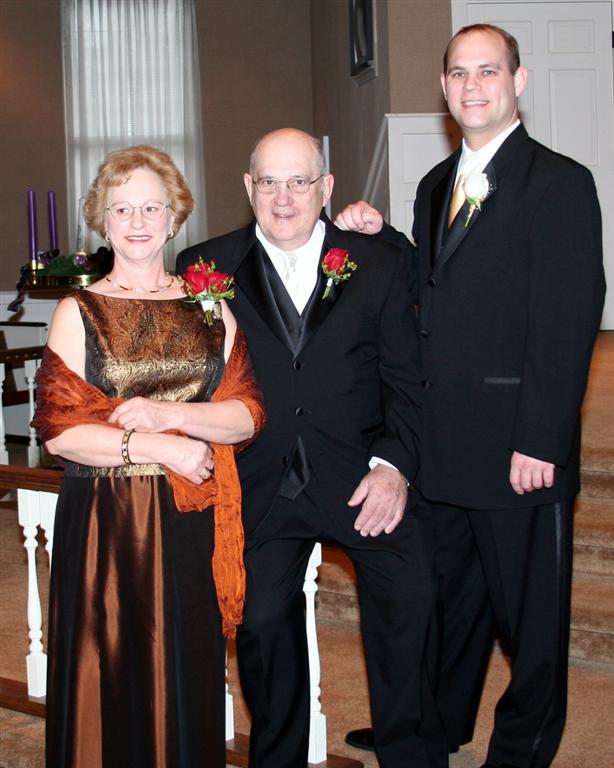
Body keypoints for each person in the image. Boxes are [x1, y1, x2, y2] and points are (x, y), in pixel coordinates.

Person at [335, 23, 606, 768]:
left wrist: (541, 439)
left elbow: (568, 319)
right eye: (459, 72)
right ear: (444, 87)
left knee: (529, 620)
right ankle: (435, 725)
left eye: (489, 71)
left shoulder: (558, 183)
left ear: (518, 82)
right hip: (444, 444)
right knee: (451, 606)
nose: (473, 85)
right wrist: (380, 236)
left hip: (517, 446)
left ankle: (522, 749)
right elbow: (437, 286)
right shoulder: (434, 185)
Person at [176, 128, 446, 768]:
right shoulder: (204, 268)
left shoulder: (378, 262)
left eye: (299, 181)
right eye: (269, 182)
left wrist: (394, 467)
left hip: (361, 475)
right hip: (261, 481)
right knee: (262, 621)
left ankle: (411, 752)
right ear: (249, 188)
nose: (284, 197)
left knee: (412, 596)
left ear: (326, 188)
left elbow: (408, 380)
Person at [33, 145, 266, 768]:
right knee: (110, 663)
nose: (137, 222)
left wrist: (173, 418)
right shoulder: (78, 311)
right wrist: (157, 446)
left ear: (174, 217)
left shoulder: (210, 306)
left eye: (151, 208)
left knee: (186, 665)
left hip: (192, 520)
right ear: (102, 221)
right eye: (121, 209)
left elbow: (246, 414)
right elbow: (60, 431)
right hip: (109, 522)